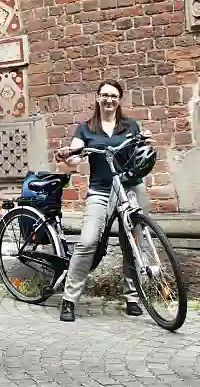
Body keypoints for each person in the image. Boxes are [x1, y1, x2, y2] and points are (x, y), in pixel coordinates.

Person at [56, 79, 154, 322]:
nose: (109, 100)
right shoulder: (86, 129)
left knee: (134, 242)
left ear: (119, 100)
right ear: (98, 98)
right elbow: (75, 158)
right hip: (101, 191)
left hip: (130, 188)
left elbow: (140, 148)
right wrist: (68, 155)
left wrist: (146, 140)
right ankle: (69, 298)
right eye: (105, 95)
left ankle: (133, 297)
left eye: (114, 96)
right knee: (88, 241)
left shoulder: (130, 125)